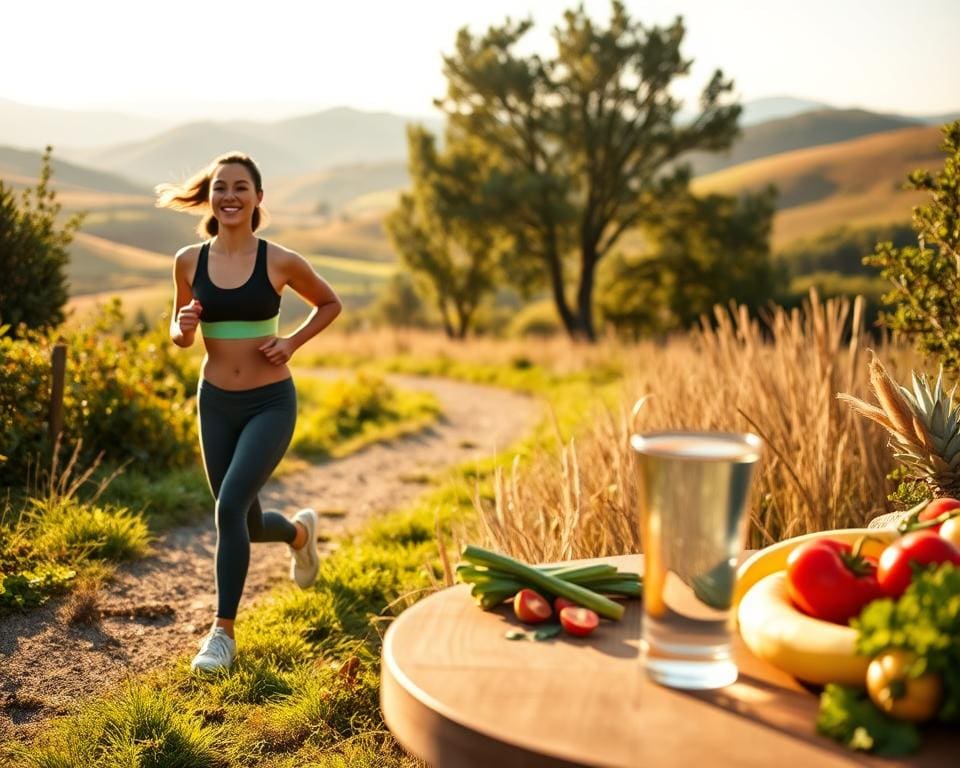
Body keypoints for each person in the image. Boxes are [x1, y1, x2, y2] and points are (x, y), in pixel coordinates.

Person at [157, 151, 342, 673]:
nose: (230, 196)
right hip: (215, 404)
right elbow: (177, 330)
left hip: (269, 403)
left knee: (228, 508)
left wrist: (291, 342)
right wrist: (185, 327)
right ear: (210, 197)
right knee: (245, 518)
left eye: (241, 187)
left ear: (259, 198)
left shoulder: (279, 260)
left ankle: (222, 634)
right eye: (221, 187)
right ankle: (299, 535)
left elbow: (329, 303)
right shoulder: (188, 261)